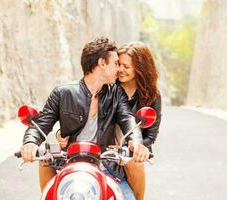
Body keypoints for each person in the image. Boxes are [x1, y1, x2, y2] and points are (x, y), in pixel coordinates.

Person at [19, 37, 150, 199]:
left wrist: (137, 143)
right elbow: (40, 124)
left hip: (106, 167)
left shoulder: (116, 93)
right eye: (115, 63)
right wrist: (30, 142)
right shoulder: (62, 93)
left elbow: (128, 120)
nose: (118, 69)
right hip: (69, 167)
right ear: (102, 63)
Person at [116, 42, 162, 200]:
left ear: (140, 68)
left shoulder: (152, 95)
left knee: (133, 165)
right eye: (118, 64)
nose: (120, 70)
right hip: (107, 148)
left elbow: (151, 134)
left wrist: (136, 147)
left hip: (133, 153)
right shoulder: (109, 89)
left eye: (126, 66)